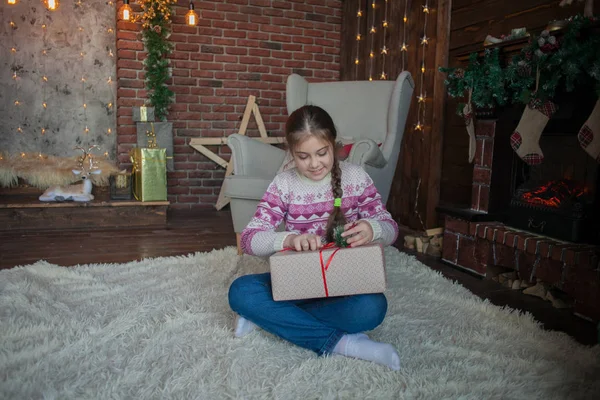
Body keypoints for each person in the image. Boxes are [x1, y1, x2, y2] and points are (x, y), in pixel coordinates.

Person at [228, 105, 400, 371]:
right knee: (240, 291)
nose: (314, 164)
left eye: (322, 153)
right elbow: (249, 239)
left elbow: (390, 227)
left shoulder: (356, 177)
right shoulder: (284, 183)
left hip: (346, 284)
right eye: (303, 156)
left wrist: (372, 228)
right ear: (291, 153)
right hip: (296, 282)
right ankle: (343, 343)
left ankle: (267, 318)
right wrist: (287, 240)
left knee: (373, 308)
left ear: (333, 144)